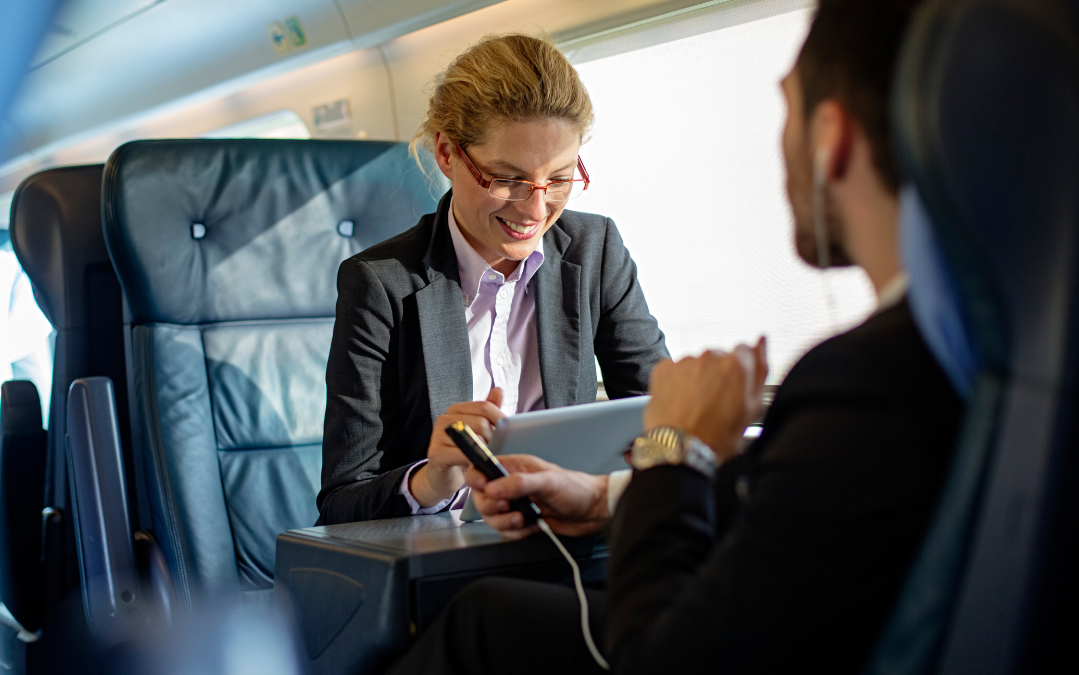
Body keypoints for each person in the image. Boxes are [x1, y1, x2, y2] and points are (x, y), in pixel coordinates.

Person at [387, 0, 966, 672]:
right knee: (488, 611)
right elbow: (792, 501)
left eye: (785, 108)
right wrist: (602, 496)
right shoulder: (968, 354)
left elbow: (660, 654)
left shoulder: (863, 383)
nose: (536, 206)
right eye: (510, 178)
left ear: (829, 137)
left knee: (480, 622)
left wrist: (675, 445)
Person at [316, 35, 669, 525]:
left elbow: (665, 424)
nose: (535, 208)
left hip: (575, 538)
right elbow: (340, 505)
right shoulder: (380, 285)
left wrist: (604, 490)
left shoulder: (596, 250)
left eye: (560, 179)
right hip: (451, 561)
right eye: (507, 179)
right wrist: (433, 478)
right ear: (446, 153)